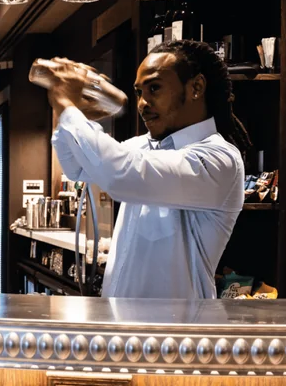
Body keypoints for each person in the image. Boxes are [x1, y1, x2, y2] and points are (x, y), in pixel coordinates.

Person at [47, 40, 249, 299]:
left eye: (154, 88)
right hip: (122, 326)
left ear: (196, 87)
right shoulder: (144, 146)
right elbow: (76, 167)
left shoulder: (218, 159)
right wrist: (71, 114)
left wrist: (68, 107)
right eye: (139, 92)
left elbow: (121, 175)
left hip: (175, 332)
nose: (143, 103)